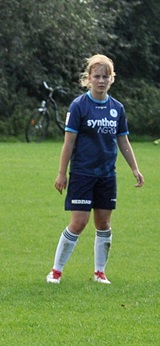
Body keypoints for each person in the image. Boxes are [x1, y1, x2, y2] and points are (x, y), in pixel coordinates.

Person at [46, 53, 144, 285]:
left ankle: (100, 272)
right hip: (82, 173)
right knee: (79, 222)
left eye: (105, 76)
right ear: (88, 78)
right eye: (97, 76)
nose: (101, 80)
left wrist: (135, 168)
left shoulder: (117, 109)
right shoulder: (79, 106)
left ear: (112, 79)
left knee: (104, 224)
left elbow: (123, 141)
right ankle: (56, 271)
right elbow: (69, 142)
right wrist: (62, 173)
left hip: (107, 175)